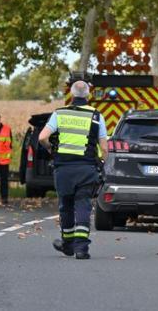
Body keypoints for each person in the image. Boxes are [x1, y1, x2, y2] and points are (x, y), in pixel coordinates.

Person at [39, 80, 108, 260]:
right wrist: (101, 162)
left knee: (66, 206)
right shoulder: (96, 116)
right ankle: (82, 249)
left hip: (64, 169)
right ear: (88, 94)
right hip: (87, 168)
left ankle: (68, 245)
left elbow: (42, 137)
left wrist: (50, 149)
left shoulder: (59, 113)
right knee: (83, 206)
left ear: (71, 94)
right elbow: (105, 148)